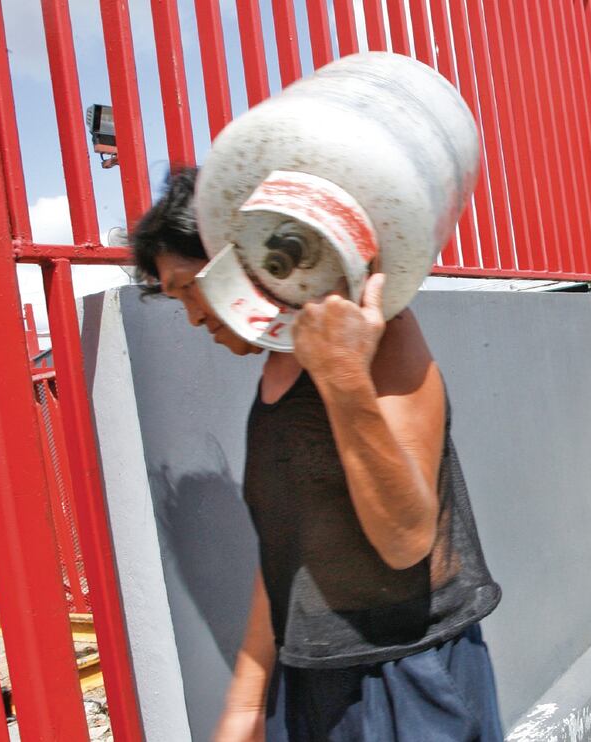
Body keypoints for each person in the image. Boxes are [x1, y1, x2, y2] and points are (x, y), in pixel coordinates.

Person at [131, 168, 503, 741]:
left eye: (188, 288)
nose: (194, 317)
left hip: (406, 675)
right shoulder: (274, 373)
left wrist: (344, 379)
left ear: (241, 261)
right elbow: (287, 552)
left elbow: (405, 539)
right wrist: (247, 702)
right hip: (309, 682)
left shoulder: (383, 339)